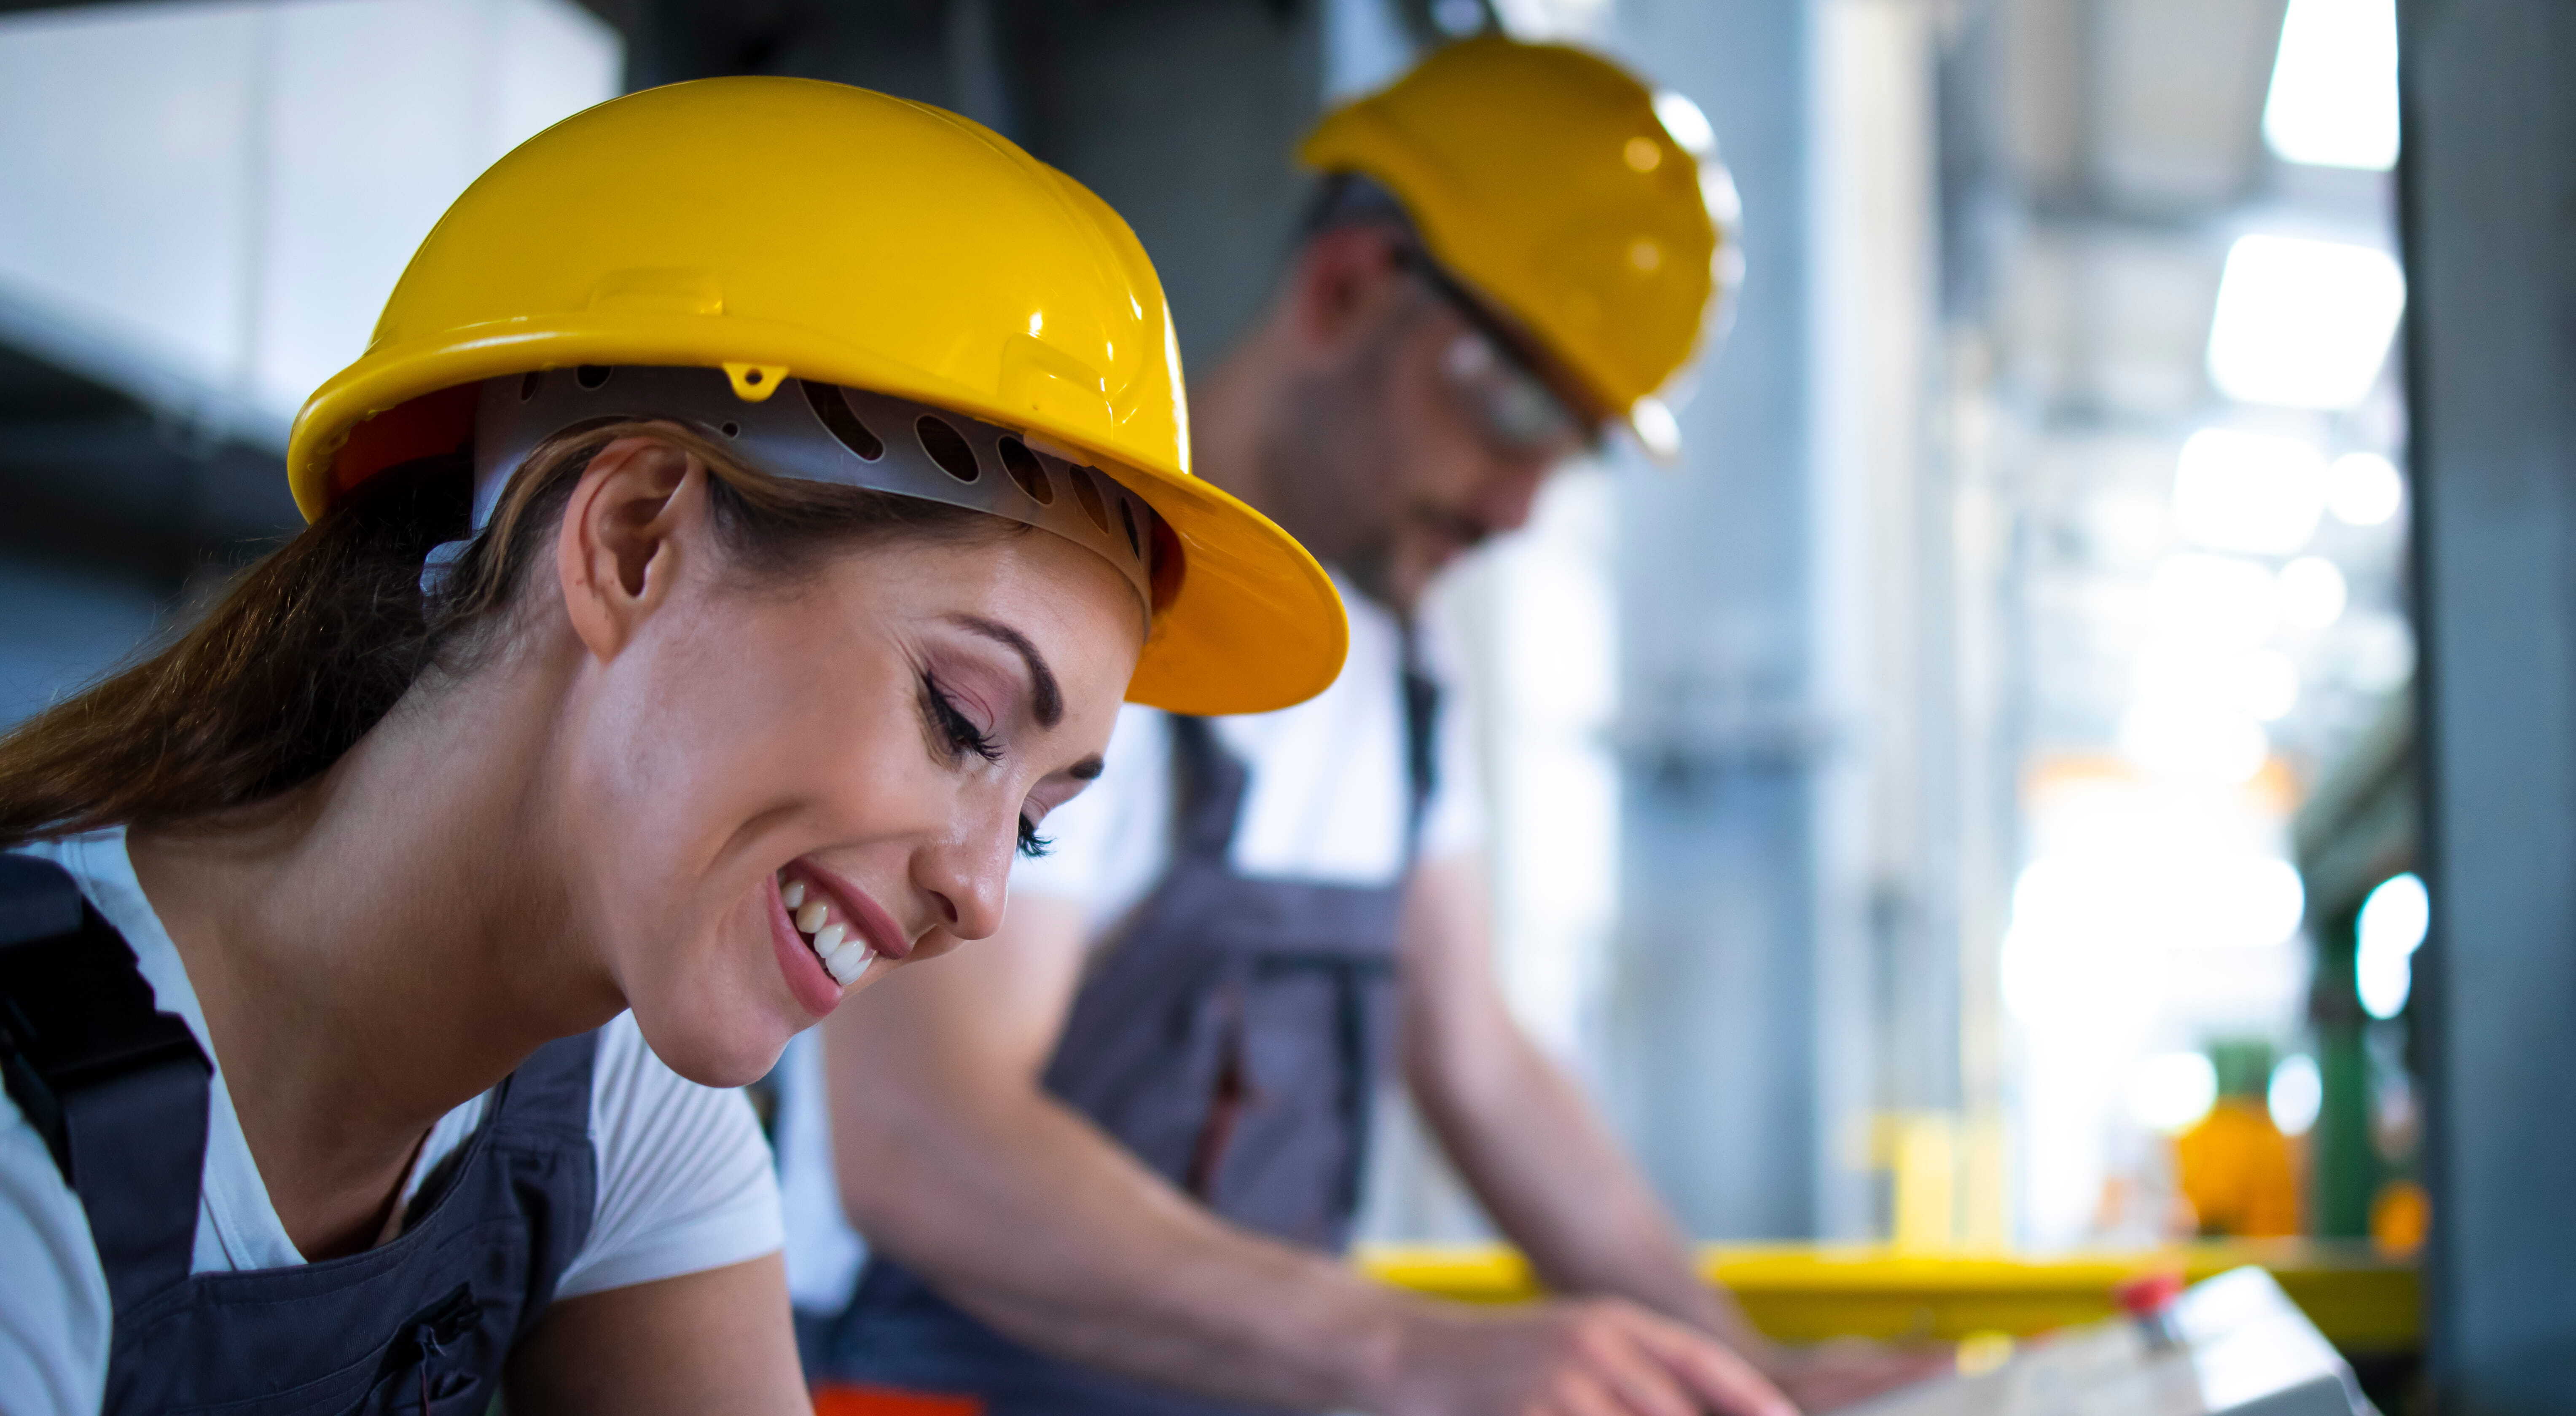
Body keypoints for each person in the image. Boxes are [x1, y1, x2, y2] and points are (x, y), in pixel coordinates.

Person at [0, 76, 1344, 1416]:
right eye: (961, 719)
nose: (984, 897)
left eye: (1040, 818)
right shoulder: (27, 1152)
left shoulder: (615, 1108)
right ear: (632, 541)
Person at [789, 37, 1949, 1416]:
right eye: (1513, 408)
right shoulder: (1064, 618)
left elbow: (1477, 1059)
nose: (1521, 506)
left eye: (1568, 447)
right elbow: (927, 1135)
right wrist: (1408, 1350)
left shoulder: (1398, 672)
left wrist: (1737, 1370)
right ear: (1347, 294)